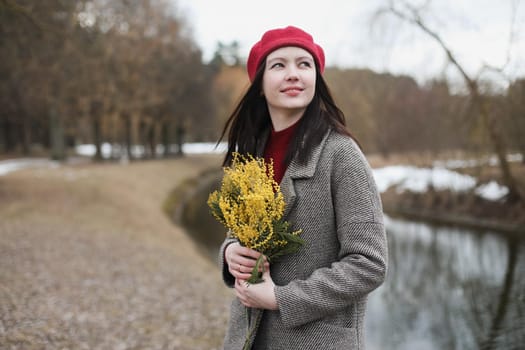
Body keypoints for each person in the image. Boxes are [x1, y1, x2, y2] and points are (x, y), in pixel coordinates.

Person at [216, 25, 387, 350]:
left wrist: (282, 298)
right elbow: (237, 232)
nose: (293, 74)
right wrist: (229, 252)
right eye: (279, 65)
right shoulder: (250, 154)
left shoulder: (342, 155)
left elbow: (369, 264)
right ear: (261, 86)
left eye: (304, 64)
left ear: (316, 80)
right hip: (246, 339)